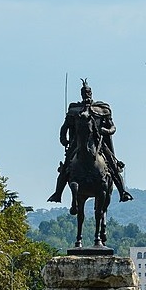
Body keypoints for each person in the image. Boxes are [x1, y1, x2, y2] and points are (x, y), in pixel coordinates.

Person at [48, 79, 133, 209]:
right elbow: (64, 127)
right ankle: (57, 193)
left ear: (91, 93)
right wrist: (63, 139)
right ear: (81, 94)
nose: (86, 94)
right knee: (66, 167)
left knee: (113, 165)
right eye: (84, 92)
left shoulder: (102, 108)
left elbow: (113, 127)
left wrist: (105, 130)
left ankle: (123, 192)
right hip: (77, 143)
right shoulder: (74, 109)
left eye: (88, 92)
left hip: (98, 142)